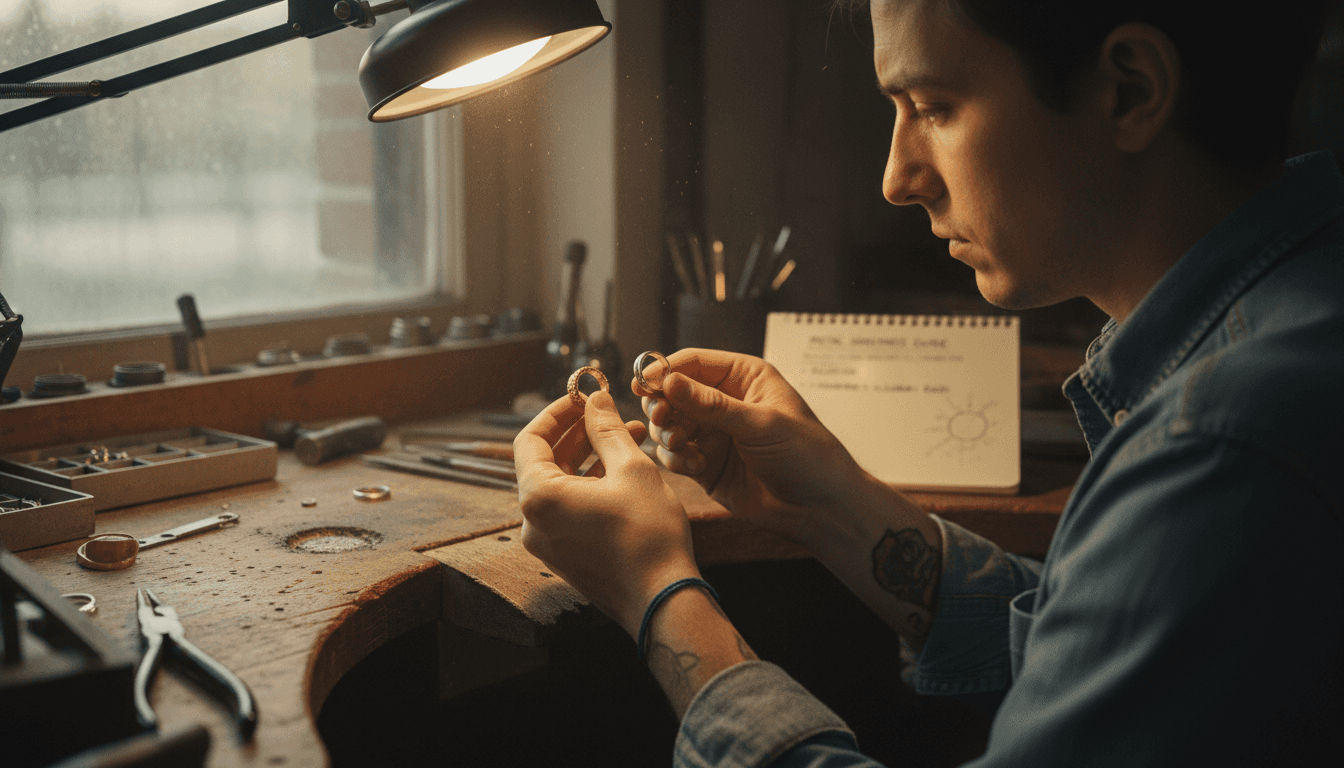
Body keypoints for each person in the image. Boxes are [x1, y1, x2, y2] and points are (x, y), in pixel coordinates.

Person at [514, 0, 1343, 765]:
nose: (897, 178)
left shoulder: (1223, 444)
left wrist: (658, 591)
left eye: (934, 107)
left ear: (1129, 91)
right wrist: (823, 501)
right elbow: (1090, 648)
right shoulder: (1286, 326)